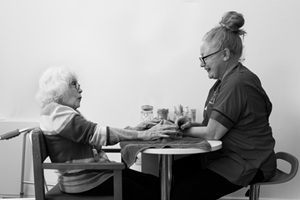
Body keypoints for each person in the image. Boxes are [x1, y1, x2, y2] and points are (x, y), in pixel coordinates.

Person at [171, 11, 276, 200]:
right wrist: (190, 125)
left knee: (180, 193)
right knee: (172, 172)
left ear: (225, 54)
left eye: (205, 58)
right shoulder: (224, 83)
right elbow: (212, 126)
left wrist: (178, 132)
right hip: (225, 156)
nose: (202, 64)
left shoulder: (238, 82)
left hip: (248, 162)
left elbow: (213, 133)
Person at [35, 66, 180, 200]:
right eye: (74, 84)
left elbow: (94, 137)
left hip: (96, 174)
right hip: (87, 180)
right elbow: (97, 134)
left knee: (156, 184)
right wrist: (145, 135)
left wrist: (136, 129)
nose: (80, 89)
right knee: (154, 193)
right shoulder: (55, 112)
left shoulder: (60, 112)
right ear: (59, 89)